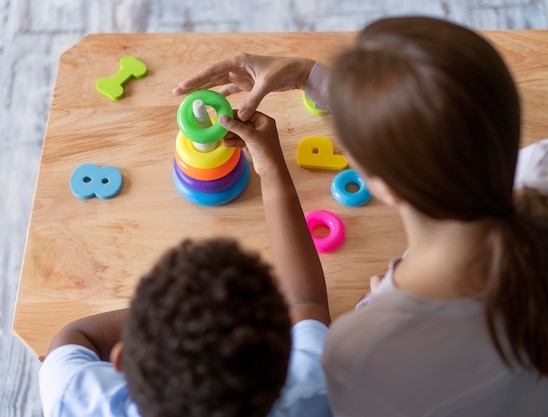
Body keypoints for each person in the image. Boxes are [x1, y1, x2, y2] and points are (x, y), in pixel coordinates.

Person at [173, 16, 548, 417]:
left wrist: (383, 306)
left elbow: (306, 310)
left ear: (380, 185)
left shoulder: (363, 355)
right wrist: (312, 76)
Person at [39, 110, 333, 416]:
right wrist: (270, 167)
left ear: (121, 360)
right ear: (282, 369)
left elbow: (73, 336)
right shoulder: (312, 391)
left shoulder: (74, 398)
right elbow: (305, 301)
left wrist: (167, 315)